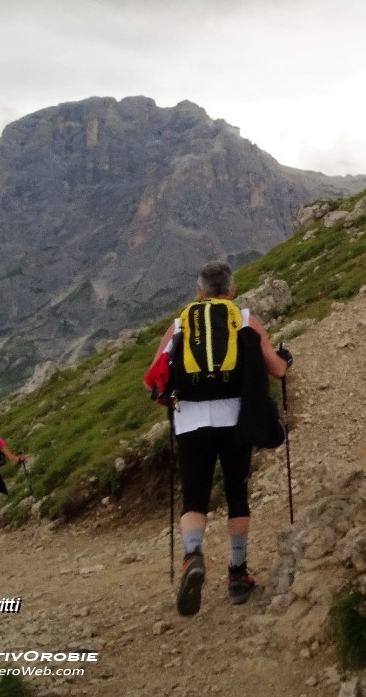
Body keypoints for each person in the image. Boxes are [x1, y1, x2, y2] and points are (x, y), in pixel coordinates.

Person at [152, 260, 292, 615]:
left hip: (191, 423)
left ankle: (192, 555)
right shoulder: (242, 319)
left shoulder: (180, 324)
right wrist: (285, 359)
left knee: (195, 497)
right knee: (237, 494)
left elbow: (153, 380)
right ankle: (237, 574)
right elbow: (277, 368)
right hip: (235, 420)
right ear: (232, 291)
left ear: (198, 292)